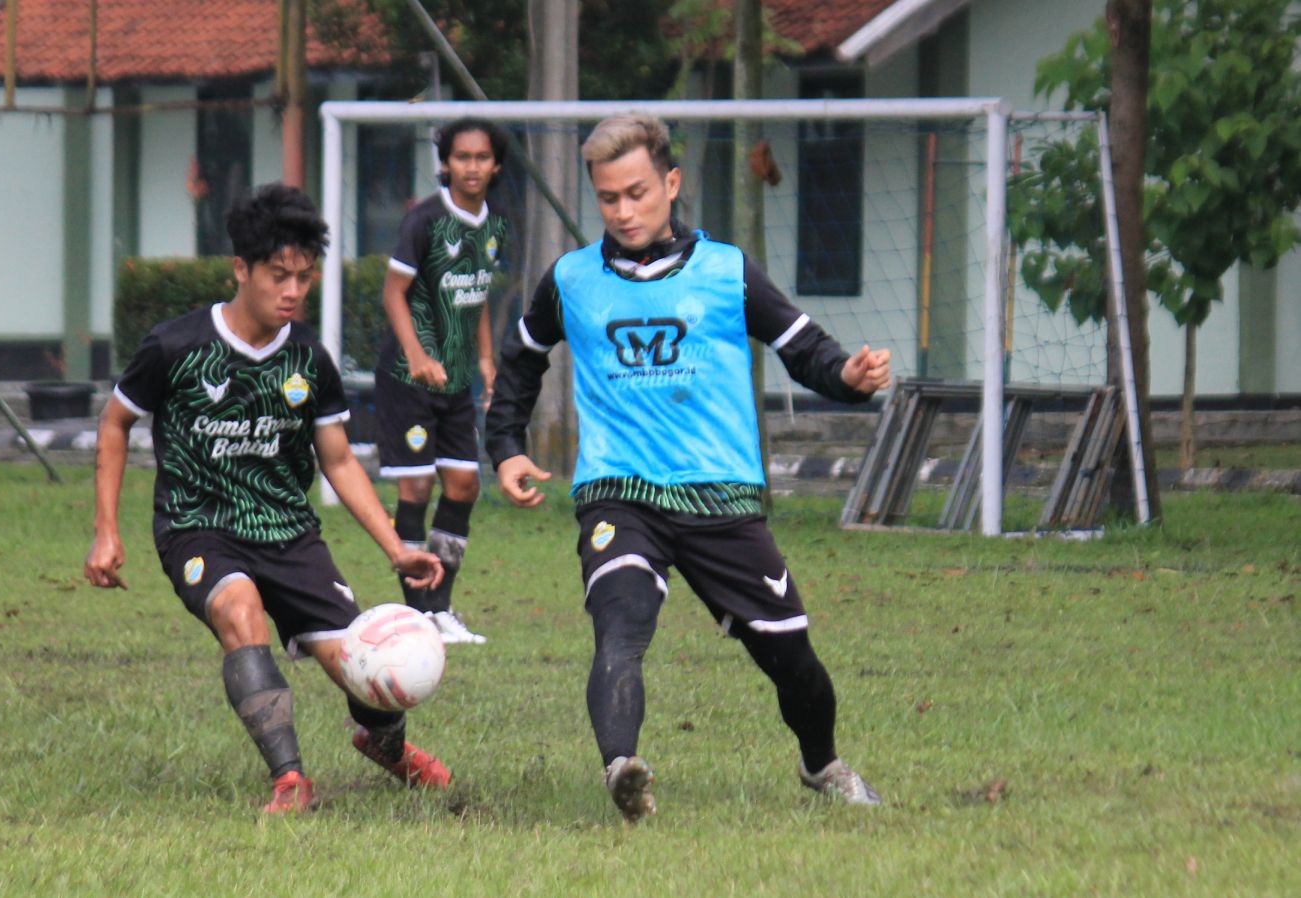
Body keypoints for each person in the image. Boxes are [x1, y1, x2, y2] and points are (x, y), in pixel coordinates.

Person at [485, 113, 893, 823]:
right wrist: (507, 445)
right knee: (620, 624)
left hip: (720, 497)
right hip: (619, 494)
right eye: (607, 197)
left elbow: (804, 347)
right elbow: (520, 359)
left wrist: (848, 375)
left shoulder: (727, 272)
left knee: (790, 659)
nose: (623, 210)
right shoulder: (571, 280)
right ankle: (622, 769)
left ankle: (820, 764)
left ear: (670, 183)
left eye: (637, 192)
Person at [85, 184, 454, 814]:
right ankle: (291, 779)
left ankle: (384, 744)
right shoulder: (175, 347)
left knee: (359, 663)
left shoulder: (309, 359)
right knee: (240, 611)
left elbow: (337, 460)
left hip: (288, 534)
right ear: (241, 270)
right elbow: (115, 423)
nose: (291, 291)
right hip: (198, 527)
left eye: (304, 279)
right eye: (278, 276)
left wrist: (397, 547)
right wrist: (106, 530)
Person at [374, 117, 511, 645]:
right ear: (446, 163)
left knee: (464, 484)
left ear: (494, 165)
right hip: (409, 380)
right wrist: (416, 354)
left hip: (455, 382)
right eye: (461, 157)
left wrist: (485, 361)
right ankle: (416, 614)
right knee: (417, 485)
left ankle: (443, 609)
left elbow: (473, 296)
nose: (471, 167)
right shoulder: (424, 222)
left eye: (481, 158)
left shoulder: (493, 225)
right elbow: (392, 294)